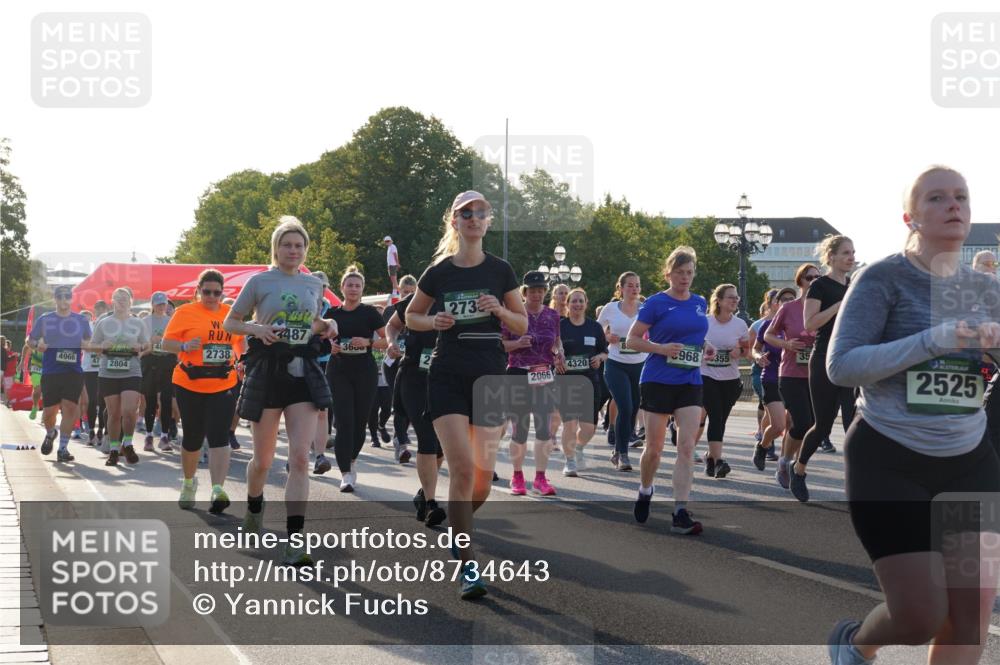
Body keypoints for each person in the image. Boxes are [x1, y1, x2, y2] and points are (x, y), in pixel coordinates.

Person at [826, 165, 1000, 665]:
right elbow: (842, 366)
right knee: (921, 616)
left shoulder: (986, 288)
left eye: (961, 197)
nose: (953, 206)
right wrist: (933, 341)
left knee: (969, 623)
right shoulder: (881, 278)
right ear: (910, 217)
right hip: (890, 457)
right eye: (937, 198)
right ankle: (857, 642)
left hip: (969, 461)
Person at [406, 190, 526, 599]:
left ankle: (460, 526)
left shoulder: (501, 271)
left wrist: (500, 311)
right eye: (465, 213)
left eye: (480, 213)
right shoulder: (438, 272)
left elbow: (522, 325)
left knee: (480, 483)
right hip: (447, 374)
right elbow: (411, 316)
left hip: (490, 376)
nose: (473, 219)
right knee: (459, 469)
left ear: (488, 221)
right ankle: (468, 565)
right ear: (454, 222)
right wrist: (432, 320)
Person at [224, 217, 337, 566]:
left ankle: (295, 538)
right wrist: (257, 328)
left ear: (305, 250)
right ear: (276, 248)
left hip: (303, 371)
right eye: (287, 244)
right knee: (263, 460)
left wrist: (329, 325)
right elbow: (231, 322)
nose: (293, 250)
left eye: (299, 245)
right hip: (268, 370)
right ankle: (255, 506)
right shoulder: (260, 281)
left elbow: (313, 324)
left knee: (300, 458)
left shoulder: (313, 285)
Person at [628, 247, 714, 535]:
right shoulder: (656, 303)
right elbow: (633, 340)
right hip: (657, 379)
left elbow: (697, 338)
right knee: (654, 449)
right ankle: (645, 488)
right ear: (669, 274)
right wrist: (660, 348)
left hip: (690, 380)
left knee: (687, 447)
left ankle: (679, 511)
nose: (685, 278)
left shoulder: (700, 302)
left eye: (689, 272)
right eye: (680, 273)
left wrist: (706, 347)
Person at [162, 270, 243, 513]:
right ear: (198, 290)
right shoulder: (184, 312)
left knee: (219, 436)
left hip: (223, 382)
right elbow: (166, 343)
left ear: (222, 293)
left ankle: (218, 489)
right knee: (193, 436)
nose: (211, 296)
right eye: (206, 292)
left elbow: (239, 340)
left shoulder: (230, 313)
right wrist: (185, 345)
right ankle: (188, 483)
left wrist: (243, 358)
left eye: (217, 292)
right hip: (189, 382)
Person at [795, 235, 857, 501]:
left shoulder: (855, 285)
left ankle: (858, 486)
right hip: (823, 358)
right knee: (821, 425)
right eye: (846, 252)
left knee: (853, 422)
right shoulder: (820, 285)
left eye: (853, 252)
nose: (851, 257)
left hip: (850, 359)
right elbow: (810, 324)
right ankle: (798, 469)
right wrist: (837, 306)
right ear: (831, 256)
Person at [386, 287, 445, 524]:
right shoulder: (414, 301)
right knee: (427, 436)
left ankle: (422, 494)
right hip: (413, 377)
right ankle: (431, 503)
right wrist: (392, 342)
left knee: (441, 446)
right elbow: (392, 325)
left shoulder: (455, 298)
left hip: (445, 378)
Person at [324, 266, 386, 490]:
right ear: (341, 288)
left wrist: (368, 342)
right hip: (339, 370)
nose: (353, 289)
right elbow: (319, 337)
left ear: (362, 289)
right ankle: (345, 473)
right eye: (349, 285)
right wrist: (329, 345)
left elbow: (387, 340)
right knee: (344, 421)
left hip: (364, 371)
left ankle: (351, 459)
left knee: (360, 422)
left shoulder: (369, 313)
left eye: (357, 286)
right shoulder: (331, 314)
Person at [502, 271, 562, 496]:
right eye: (532, 290)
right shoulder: (513, 314)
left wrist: (559, 353)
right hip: (518, 373)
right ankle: (517, 476)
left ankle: (540, 478)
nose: (537, 294)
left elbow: (556, 341)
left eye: (540, 290)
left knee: (544, 429)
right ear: (524, 292)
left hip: (544, 374)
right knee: (520, 430)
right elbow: (501, 344)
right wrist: (517, 343)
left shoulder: (553, 315)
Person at [764, 263, 820, 492]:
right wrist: (787, 344)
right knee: (803, 421)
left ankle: (789, 461)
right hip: (790, 374)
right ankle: (786, 461)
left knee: (814, 425)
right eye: (809, 277)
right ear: (800, 281)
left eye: (818, 277)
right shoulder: (789, 308)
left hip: (816, 375)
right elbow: (769, 335)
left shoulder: (824, 309)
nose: (814, 281)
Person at [26, 285, 92, 461]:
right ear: (55, 299)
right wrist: (37, 344)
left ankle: (63, 448)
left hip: (73, 371)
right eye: (60, 296)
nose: (64, 300)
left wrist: (88, 345)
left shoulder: (81, 320)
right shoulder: (46, 319)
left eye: (67, 296)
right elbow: (30, 339)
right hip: (51, 371)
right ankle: (50, 432)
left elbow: (88, 340)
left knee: (70, 408)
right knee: (49, 413)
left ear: (71, 299)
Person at [90, 287, 148, 466]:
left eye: (125, 298)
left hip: (131, 370)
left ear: (131, 301)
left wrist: (140, 348)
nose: (121, 301)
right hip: (108, 372)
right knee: (114, 413)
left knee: (129, 411)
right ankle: (114, 449)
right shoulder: (104, 322)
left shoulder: (138, 323)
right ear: (112, 301)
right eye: (118, 298)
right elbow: (93, 346)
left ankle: (128, 443)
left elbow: (147, 345)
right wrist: (102, 346)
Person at [698, 283, 750, 479]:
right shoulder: (705, 322)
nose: (735, 300)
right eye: (730, 297)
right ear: (718, 300)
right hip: (707, 376)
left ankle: (710, 458)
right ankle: (719, 462)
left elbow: (747, 350)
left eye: (736, 297)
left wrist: (739, 352)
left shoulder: (740, 325)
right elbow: (694, 344)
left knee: (721, 420)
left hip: (730, 379)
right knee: (717, 417)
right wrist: (705, 350)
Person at [555, 288, 608, 475]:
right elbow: (551, 349)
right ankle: (569, 461)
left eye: (580, 301)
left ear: (586, 303)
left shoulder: (594, 327)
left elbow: (605, 351)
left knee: (589, 428)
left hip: (589, 381)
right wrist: (556, 358)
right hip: (565, 381)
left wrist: (600, 358)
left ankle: (578, 448)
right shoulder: (560, 326)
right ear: (567, 304)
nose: (577, 304)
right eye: (573, 301)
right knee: (570, 423)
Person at [598, 272, 647, 470]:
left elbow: (656, 332)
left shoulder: (645, 310)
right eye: (630, 285)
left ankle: (619, 450)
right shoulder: (610, 308)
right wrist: (607, 335)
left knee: (634, 407)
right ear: (621, 288)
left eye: (637, 285)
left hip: (640, 364)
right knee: (625, 406)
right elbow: (597, 330)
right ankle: (622, 454)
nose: (634, 289)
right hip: (616, 363)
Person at [752, 288, 794, 470]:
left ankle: (784, 464)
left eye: (792, 299)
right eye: (783, 299)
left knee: (794, 424)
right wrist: (758, 356)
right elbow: (755, 348)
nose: (787, 302)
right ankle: (763, 446)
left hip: (794, 379)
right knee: (778, 426)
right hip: (771, 378)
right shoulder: (767, 325)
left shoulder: (799, 325)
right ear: (775, 303)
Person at [385, 274, 417, 462]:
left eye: (412, 292)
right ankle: (401, 442)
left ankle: (400, 438)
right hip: (393, 363)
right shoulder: (392, 310)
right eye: (405, 292)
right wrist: (391, 344)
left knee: (413, 406)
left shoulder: (424, 304)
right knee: (401, 403)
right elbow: (385, 333)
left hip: (414, 361)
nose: (408, 295)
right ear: (399, 291)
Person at [141, 291, 177, 452]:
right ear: (153, 305)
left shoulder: (172, 321)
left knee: (167, 399)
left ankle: (164, 435)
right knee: (150, 401)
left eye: (164, 304)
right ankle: (149, 435)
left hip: (167, 362)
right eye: (158, 304)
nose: (162, 306)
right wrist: (150, 341)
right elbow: (140, 344)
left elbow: (176, 342)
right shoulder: (145, 321)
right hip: (150, 361)